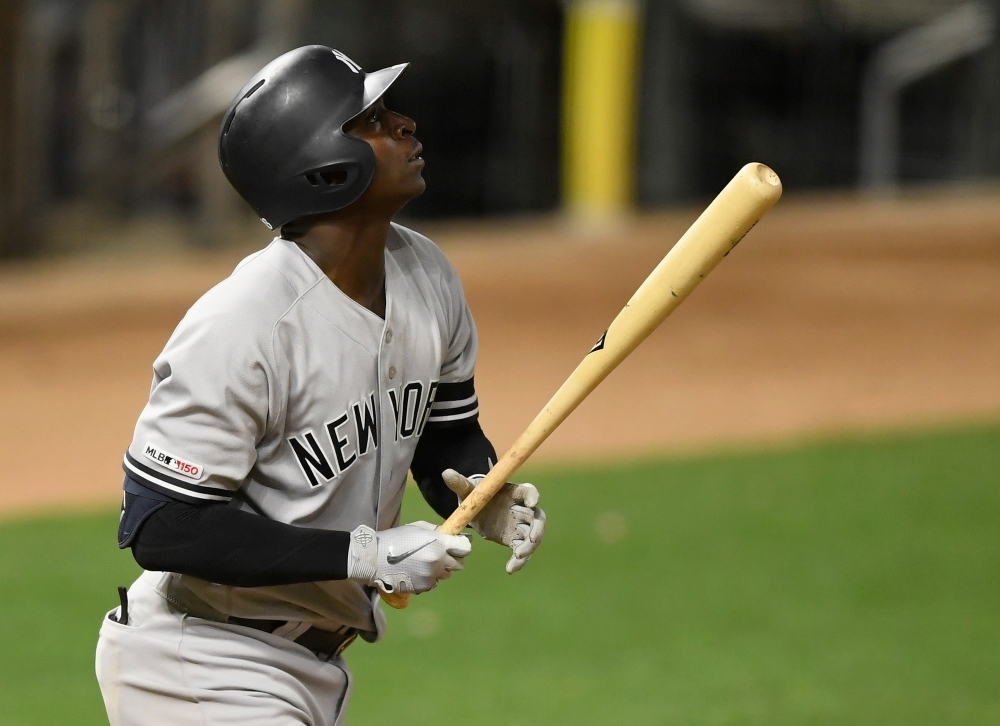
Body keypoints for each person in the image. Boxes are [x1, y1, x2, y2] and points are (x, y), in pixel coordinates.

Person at [95, 46, 546, 726]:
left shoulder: (427, 276)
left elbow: (442, 434)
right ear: (323, 164)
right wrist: (365, 553)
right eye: (373, 119)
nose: (406, 126)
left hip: (310, 669)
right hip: (200, 664)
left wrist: (485, 492)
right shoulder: (244, 322)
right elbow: (161, 525)